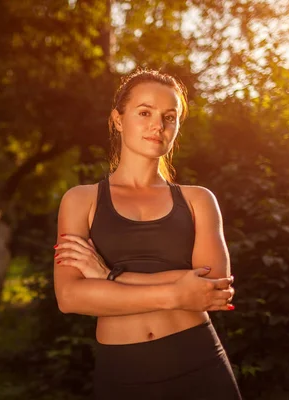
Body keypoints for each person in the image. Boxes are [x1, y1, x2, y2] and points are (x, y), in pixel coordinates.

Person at [53, 69, 242, 400]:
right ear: (117, 119)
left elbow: (212, 289)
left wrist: (109, 276)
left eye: (170, 117)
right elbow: (70, 297)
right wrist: (176, 294)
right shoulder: (81, 200)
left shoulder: (198, 200)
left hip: (199, 365)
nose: (159, 125)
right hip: (123, 375)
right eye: (145, 112)